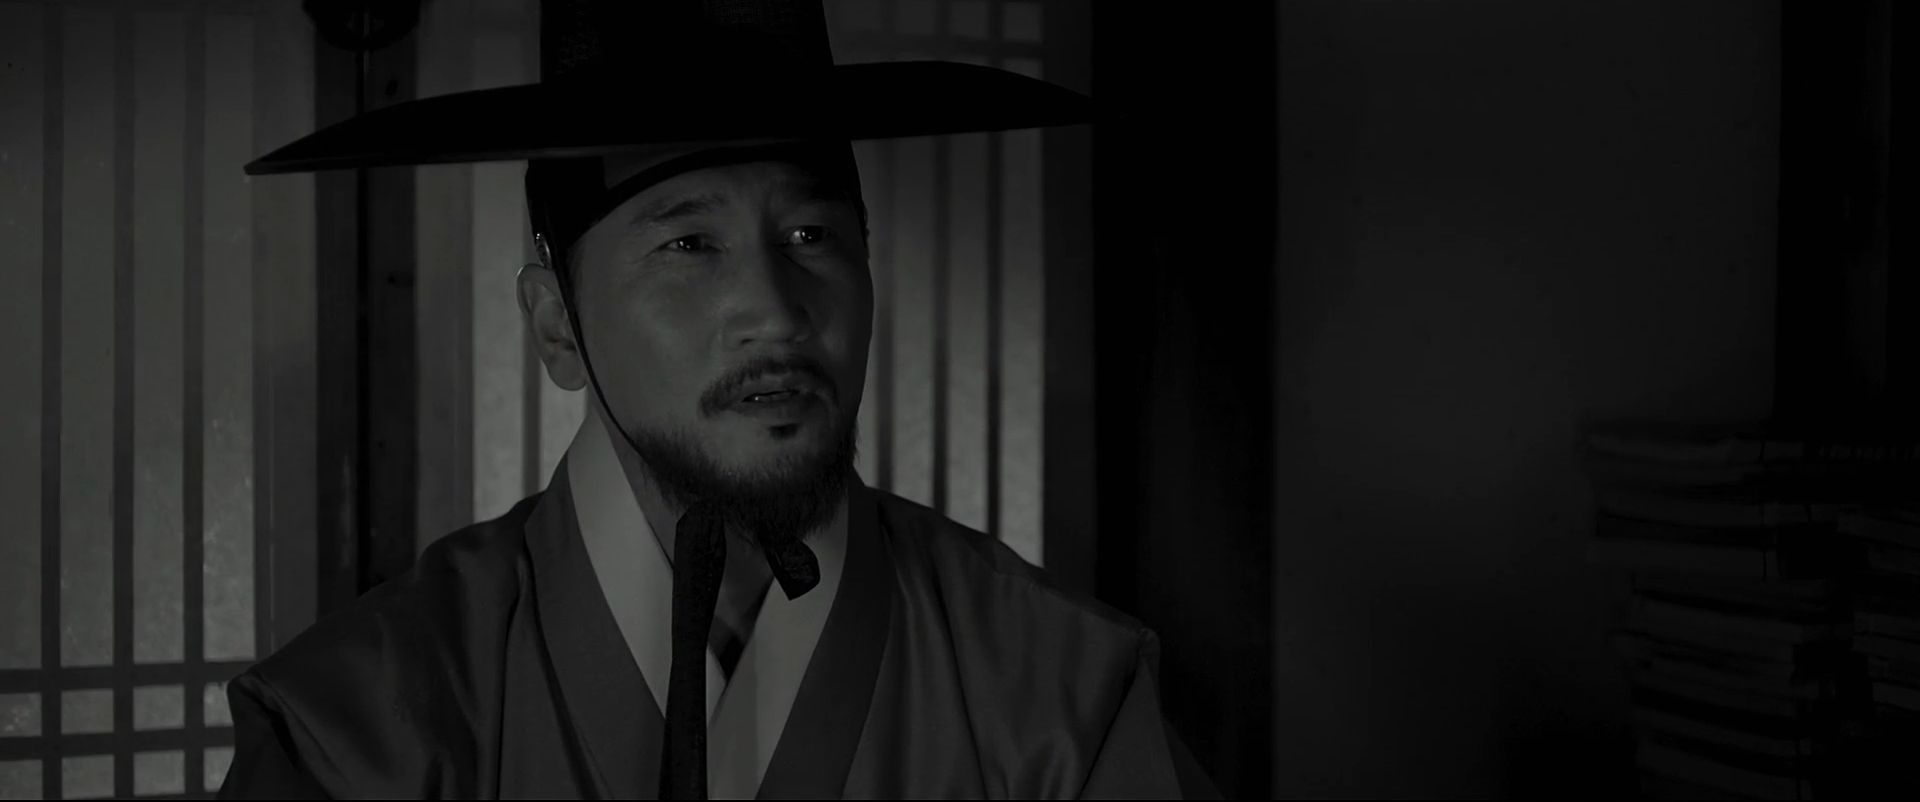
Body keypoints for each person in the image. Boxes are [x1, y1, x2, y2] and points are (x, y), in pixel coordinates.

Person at [217, 0, 1218, 798]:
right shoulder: (360, 729)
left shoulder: (1059, 695)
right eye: (690, 244)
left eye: (811, 237)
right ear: (557, 325)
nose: (775, 312)